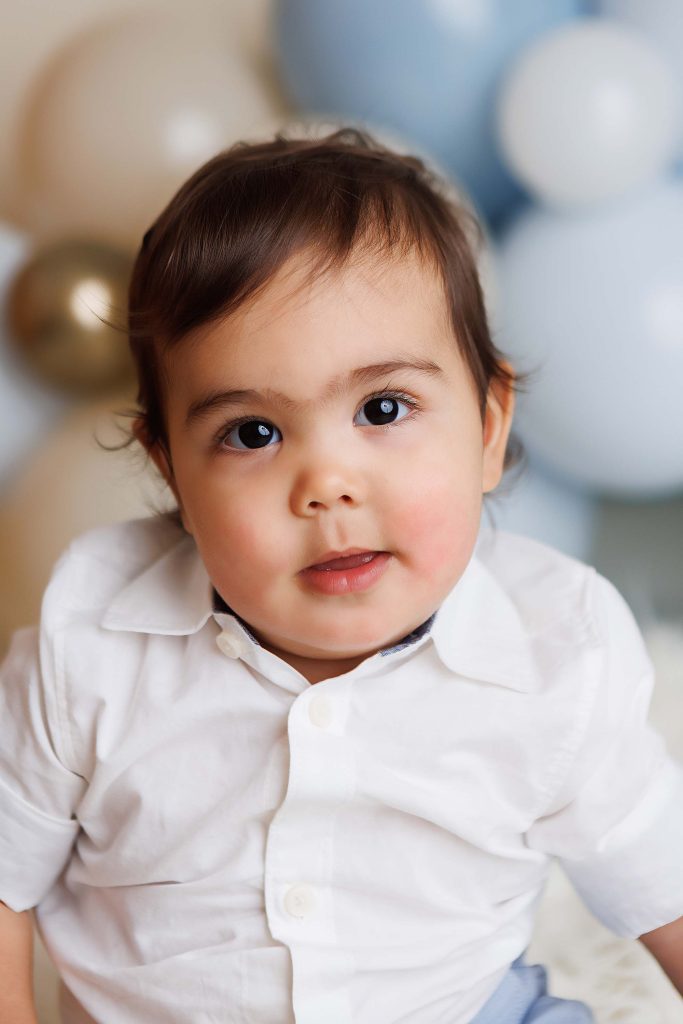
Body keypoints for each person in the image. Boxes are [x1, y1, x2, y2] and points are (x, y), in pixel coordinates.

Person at [1, 128, 682, 1024]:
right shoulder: (90, 641)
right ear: (170, 472)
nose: (328, 485)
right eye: (252, 433)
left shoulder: (555, 649)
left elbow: (664, 893)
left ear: (486, 428)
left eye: (382, 409)